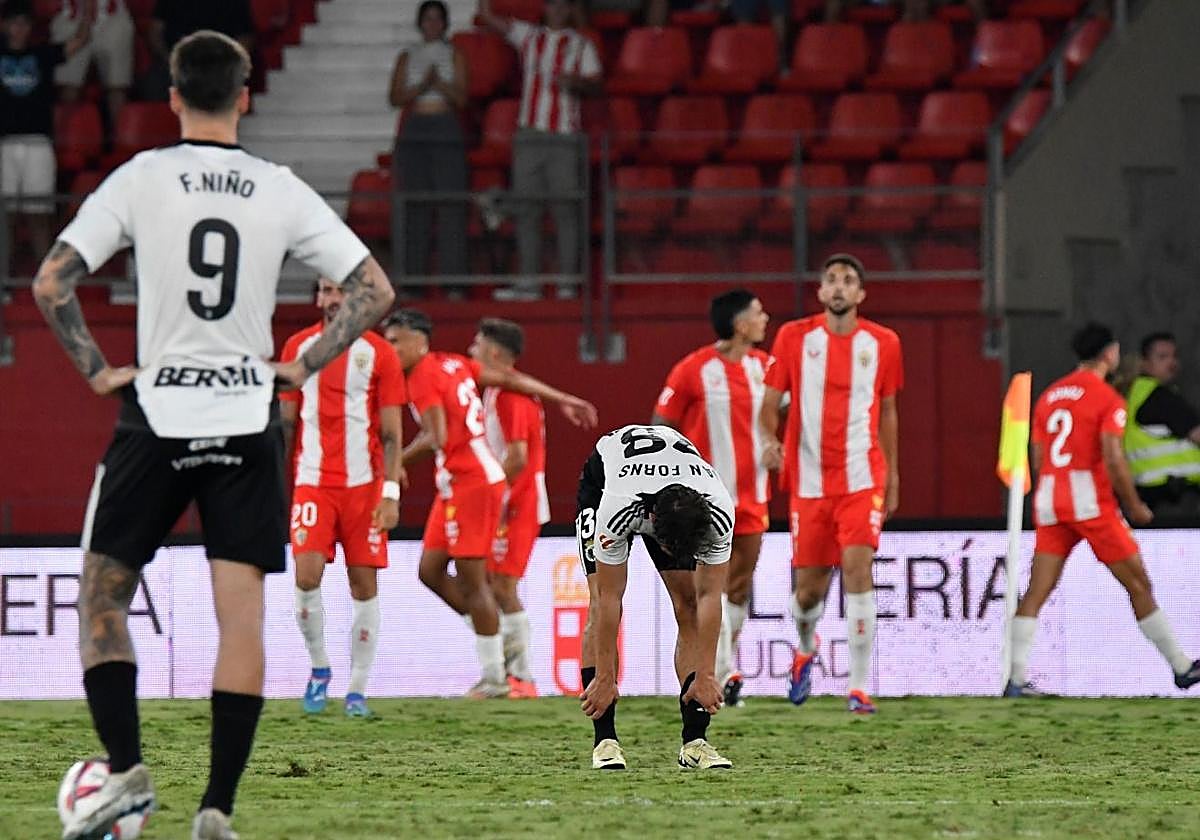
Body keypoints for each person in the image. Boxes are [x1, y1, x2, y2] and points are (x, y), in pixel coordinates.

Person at [31, 30, 395, 840]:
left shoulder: (141, 176)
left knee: (102, 597)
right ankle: (216, 812)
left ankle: (126, 774)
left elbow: (53, 280)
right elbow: (373, 289)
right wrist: (301, 370)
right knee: (242, 619)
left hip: (157, 414)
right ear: (245, 95)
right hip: (244, 415)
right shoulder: (279, 187)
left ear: (170, 96)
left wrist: (97, 370)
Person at [384, 309, 597, 697]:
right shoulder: (453, 363)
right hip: (455, 483)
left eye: (396, 341)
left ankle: (497, 677)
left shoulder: (424, 377)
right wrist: (563, 397)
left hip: (474, 483)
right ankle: (496, 645)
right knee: (430, 570)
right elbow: (509, 379)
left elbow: (436, 436)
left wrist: (392, 464)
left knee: (479, 579)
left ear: (419, 341)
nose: (390, 349)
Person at [1005, 323, 1200, 697]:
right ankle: (1181, 666)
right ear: (1109, 354)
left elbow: (1039, 454)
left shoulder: (1050, 396)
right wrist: (1134, 506)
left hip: (1050, 500)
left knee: (1036, 591)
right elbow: (1113, 456)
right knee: (1138, 583)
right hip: (1089, 503)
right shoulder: (1107, 397)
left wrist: (1049, 491)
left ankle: (1015, 679)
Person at [759, 253, 902, 715]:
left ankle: (858, 687)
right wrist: (768, 439)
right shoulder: (793, 338)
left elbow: (889, 412)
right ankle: (806, 647)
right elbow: (770, 403)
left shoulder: (885, 343)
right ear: (821, 292)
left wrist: (893, 475)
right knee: (809, 594)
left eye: (848, 281)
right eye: (831, 279)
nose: (839, 287)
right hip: (809, 481)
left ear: (861, 294)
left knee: (859, 570)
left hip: (863, 478)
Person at [279, 279, 408, 719]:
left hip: (365, 487)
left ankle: (356, 690)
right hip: (313, 483)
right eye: (324, 291)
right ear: (317, 298)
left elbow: (392, 434)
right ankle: (319, 669)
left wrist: (390, 493)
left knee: (363, 585)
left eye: (340, 291)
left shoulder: (380, 353)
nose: (331, 300)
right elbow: (284, 425)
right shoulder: (298, 347)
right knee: (306, 574)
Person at [576, 424, 734, 771]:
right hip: (605, 480)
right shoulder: (617, 509)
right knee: (596, 601)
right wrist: (605, 676)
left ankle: (695, 743)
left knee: (689, 604)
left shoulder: (718, 510)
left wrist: (708, 674)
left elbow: (710, 596)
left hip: (676, 491)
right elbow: (609, 599)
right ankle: (605, 740)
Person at [652, 289, 772, 708]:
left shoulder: (768, 369)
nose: (765, 318)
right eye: (758, 313)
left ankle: (724, 666)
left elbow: (787, 417)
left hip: (754, 495)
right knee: (710, 588)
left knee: (738, 588)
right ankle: (719, 672)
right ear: (739, 323)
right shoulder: (694, 369)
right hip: (707, 498)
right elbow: (660, 425)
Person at [477, 0, 601, 301]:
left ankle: (567, 284)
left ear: (570, 10)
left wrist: (576, 83)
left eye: (563, 6)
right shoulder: (529, 35)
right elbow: (487, 17)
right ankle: (529, 284)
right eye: (554, 5)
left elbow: (596, 85)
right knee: (527, 210)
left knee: (565, 211)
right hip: (530, 135)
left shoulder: (581, 45)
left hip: (564, 136)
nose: (559, 11)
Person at [469, 318, 548, 698]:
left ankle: (522, 677)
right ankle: (504, 672)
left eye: (477, 344)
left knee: (502, 585)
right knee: (491, 583)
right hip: (513, 498)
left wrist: (496, 497)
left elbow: (517, 456)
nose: (472, 351)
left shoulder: (509, 396)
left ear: (494, 353)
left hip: (517, 501)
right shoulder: (497, 392)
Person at [1, 0, 91, 259]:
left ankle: (44, 278)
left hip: (38, 144)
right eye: (14, 22)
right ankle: (3, 281)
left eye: (24, 23)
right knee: (4, 217)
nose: (19, 28)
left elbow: (80, 40)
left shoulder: (43, 54)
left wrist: (86, 11)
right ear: (5, 25)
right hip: (4, 144)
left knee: (39, 215)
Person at [388, 0, 468, 288]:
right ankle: (413, 280)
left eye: (437, 19)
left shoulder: (454, 54)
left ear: (444, 24)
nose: (432, 24)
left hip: (445, 126)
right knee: (414, 206)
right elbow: (395, 96)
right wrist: (422, 86)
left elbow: (461, 97)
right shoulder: (408, 55)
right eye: (427, 19)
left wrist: (438, 84)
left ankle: (453, 282)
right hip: (416, 128)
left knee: (450, 206)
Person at [1123, 331, 1200, 516]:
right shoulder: (1161, 397)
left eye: (1174, 356)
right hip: (1175, 496)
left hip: (1145, 495)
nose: (1172, 363)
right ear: (1144, 362)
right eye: (1162, 357)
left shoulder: (1133, 394)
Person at [51, 0, 134, 121]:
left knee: (117, 86)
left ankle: (120, 136)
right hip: (71, 14)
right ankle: (68, 134)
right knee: (68, 86)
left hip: (112, 16)